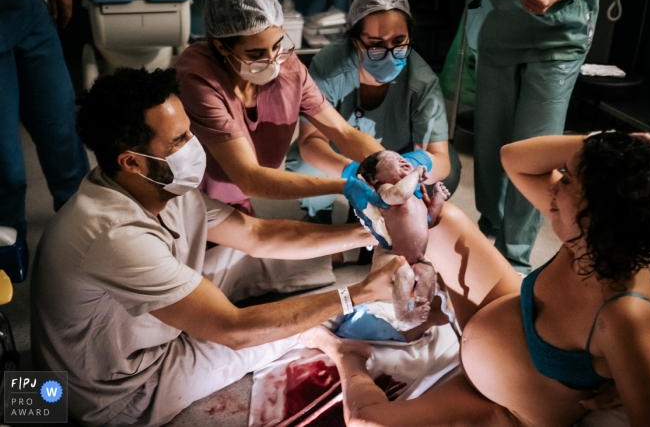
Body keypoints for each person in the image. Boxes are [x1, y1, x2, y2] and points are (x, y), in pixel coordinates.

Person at [29, 68, 401, 427]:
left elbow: (258, 235)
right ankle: (331, 327)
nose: (194, 147)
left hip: (137, 319)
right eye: (179, 141)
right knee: (270, 333)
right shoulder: (114, 235)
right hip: (122, 390)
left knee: (245, 254)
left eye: (189, 132)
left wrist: (370, 232)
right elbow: (234, 329)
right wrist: (360, 292)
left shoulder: (155, 186)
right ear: (132, 161)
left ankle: (353, 259)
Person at [299, 132, 650, 427]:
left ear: (600, 212)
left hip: (507, 406)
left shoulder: (626, 317)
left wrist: (628, 380)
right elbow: (515, 158)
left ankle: (345, 355)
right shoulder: (586, 237)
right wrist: (600, 145)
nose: (553, 185)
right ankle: (439, 310)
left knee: (366, 422)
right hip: (504, 311)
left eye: (569, 180)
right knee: (435, 220)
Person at [174, 0, 393, 217]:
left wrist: (388, 163)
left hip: (238, 197)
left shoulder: (289, 70)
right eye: (256, 54)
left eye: (277, 45)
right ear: (221, 47)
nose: (271, 61)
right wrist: (347, 187)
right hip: (189, 200)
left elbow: (342, 132)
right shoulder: (198, 80)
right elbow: (249, 177)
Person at [467, 0, 617, 273]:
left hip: (561, 28)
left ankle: (514, 258)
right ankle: (489, 231)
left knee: (533, 151)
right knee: (490, 143)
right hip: (501, 22)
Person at [286, 0, 461, 224]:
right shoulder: (330, 67)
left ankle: (391, 217)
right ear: (355, 41)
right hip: (342, 153)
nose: (390, 53)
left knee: (443, 179)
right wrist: (352, 174)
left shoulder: (421, 82)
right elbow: (310, 141)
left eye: (400, 42)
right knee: (304, 165)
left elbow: (440, 160)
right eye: (376, 45)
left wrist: (410, 167)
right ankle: (320, 214)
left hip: (400, 155)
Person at [0, 0, 89, 280]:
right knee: (5, 161)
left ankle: (82, 228)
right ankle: (8, 250)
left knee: (62, 129)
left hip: (26, 12)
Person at [356, 150, 450, 329]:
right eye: (392, 158)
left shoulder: (415, 196)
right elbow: (399, 194)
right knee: (404, 272)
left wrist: (438, 198)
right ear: (375, 179)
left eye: (402, 157)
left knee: (428, 273)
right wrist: (414, 174)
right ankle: (403, 315)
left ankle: (421, 309)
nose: (402, 159)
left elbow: (429, 218)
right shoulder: (385, 192)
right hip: (390, 256)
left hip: (417, 258)